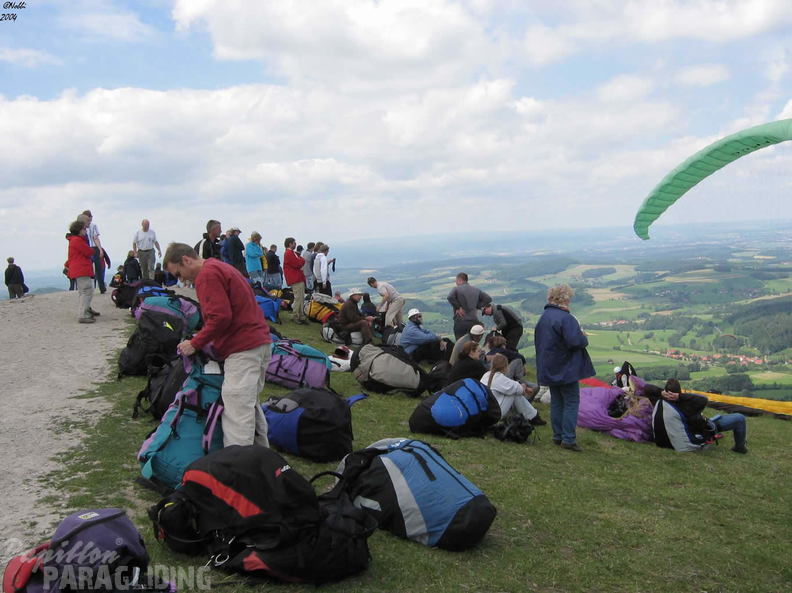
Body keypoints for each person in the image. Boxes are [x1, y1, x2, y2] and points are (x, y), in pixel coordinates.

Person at [164, 242, 272, 448]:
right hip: (258, 342)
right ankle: (261, 458)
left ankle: (238, 470)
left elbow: (220, 317)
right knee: (249, 405)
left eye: (179, 273)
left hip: (242, 348)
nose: (182, 279)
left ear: (186, 260)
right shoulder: (218, 267)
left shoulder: (207, 275)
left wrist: (195, 343)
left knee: (237, 414)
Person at [534, 284, 595, 452]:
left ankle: (557, 435)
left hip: (549, 367)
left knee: (557, 402)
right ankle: (568, 438)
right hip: (566, 368)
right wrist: (583, 336)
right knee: (571, 402)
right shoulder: (566, 318)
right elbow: (575, 342)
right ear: (565, 299)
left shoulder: (544, 317)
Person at [660, 379, 748, 454]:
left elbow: (649, 390)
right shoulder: (686, 406)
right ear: (679, 392)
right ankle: (739, 447)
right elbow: (704, 399)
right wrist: (681, 396)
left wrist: (661, 393)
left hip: (691, 428)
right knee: (739, 418)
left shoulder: (663, 404)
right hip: (702, 430)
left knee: (717, 418)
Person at [480, 354, 545, 426]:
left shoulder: (486, 375)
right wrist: (524, 386)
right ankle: (533, 417)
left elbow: (513, 386)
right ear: (505, 367)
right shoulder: (500, 378)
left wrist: (523, 387)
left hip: (485, 411)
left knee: (513, 391)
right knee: (514, 393)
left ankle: (532, 416)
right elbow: (519, 389)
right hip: (494, 414)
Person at [66, 220, 99, 323]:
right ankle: (83, 315)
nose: (86, 231)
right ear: (79, 230)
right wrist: (94, 249)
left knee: (83, 292)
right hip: (81, 269)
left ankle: (85, 312)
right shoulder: (77, 240)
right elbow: (88, 251)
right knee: (87, 291)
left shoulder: (74, 240)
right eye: (84, 229)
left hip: (78, 269)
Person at [447, 272, 492, 339]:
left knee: (460, 344)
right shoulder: (476, 290)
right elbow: (488, 299)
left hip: (460, 322)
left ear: (460, 280)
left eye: (456, 281)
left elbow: (450, 297)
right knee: (473, 344)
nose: (456, 283)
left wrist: (458, 307)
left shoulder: (456, 289)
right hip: (473, 322)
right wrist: (477, 305)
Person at [283, 237, 307, 324]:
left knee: (301, 298)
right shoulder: (289, 253)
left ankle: (300, 315)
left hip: (297, 278)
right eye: (294, 243)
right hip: (295, 278)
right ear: (290, 244)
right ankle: (296, 315)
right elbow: (298, 263)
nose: (295, 244)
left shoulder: (291, 253)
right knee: (298, 298)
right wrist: (302, 259)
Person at [81, 210, 106, 294]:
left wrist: (100, 249)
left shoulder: (93, 225)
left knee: (97, 268)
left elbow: (95, 238)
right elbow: (95, 238)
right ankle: (94, 287)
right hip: (89, 248)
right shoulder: (84, 226)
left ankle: (101, 287)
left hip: (92, 248)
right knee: (91, 268)